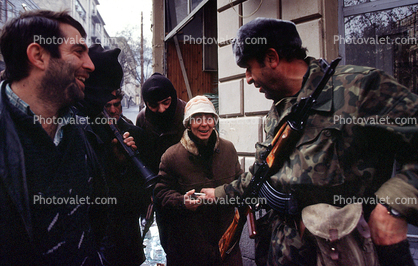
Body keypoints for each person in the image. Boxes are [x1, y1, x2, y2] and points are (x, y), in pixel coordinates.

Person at [201, 18, 418, 266]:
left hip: (341, 252)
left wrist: (394, 207)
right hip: (285, 252)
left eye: (249, 68)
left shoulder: (358, 88)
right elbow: (261, 175)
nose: (248, 78)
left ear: (272, 58)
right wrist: (218, 193)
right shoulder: (279, 112)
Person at [0, 10, 134, 265]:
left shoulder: (79, 130)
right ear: (38, 56)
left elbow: (94, 217)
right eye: (78, 51)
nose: (90, 65)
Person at [81, 44, 150, 265]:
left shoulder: (133, 133)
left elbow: (138, 196)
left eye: (116, 102)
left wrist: (124, 163)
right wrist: (110, 159)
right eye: (106, 101)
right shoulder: (80, 129)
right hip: (96, 244)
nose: (112, 110)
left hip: (126, 239)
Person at [153, 95, 243, 266]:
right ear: (188, 123)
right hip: (188, 250)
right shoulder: (171, 156)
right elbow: (160, 193)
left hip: (227, 247)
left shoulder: (228, 149)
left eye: (209, 118)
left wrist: (222, 194)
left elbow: (241, 184)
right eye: (197, 119)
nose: (204, 124)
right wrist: (181, 201)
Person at [136, 73, 186, 174]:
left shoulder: (187, 113)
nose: (161, 110)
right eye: (153, 105)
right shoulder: (142, 118)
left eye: (166, 102)